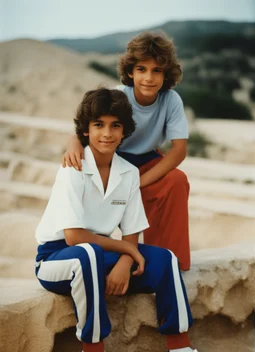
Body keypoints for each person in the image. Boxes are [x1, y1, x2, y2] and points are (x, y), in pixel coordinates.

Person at [35, 88, 229, 352]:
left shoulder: (127, 173)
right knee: (88, 253)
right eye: (98, 125)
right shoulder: (73, 168)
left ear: (125, 130)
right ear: (86, 130)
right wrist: (128, 251)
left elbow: (133, 232)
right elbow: (74, 237)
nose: (107, 133)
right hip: (57, 258)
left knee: (165, 258)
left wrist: (126, 261)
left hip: (100, 254)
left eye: (115, 125)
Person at [62, 31, 191, 271]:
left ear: (167, 74)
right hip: (112, 160)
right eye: (142, 69)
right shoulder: (118, 96)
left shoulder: (171, 100)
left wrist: (138, 183)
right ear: (131, 71)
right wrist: (73, 142)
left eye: (157, 70)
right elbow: (86, 128)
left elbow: (178, 151)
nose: (149, 78)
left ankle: (170, 261)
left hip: (147, 161)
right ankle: (92, 256)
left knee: (176, 181)